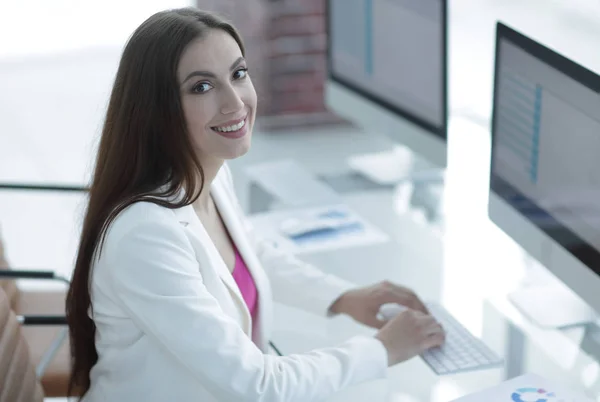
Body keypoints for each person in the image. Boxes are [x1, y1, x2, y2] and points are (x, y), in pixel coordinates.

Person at [65, 7, 445, 402]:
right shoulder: (144, 233)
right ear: (156, 109)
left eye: (238, 74)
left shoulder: (207, 174)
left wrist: (343, 297)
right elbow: (258, 385)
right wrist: (382, 350)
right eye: (201, 87)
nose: (235, 103)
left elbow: (246, 254)